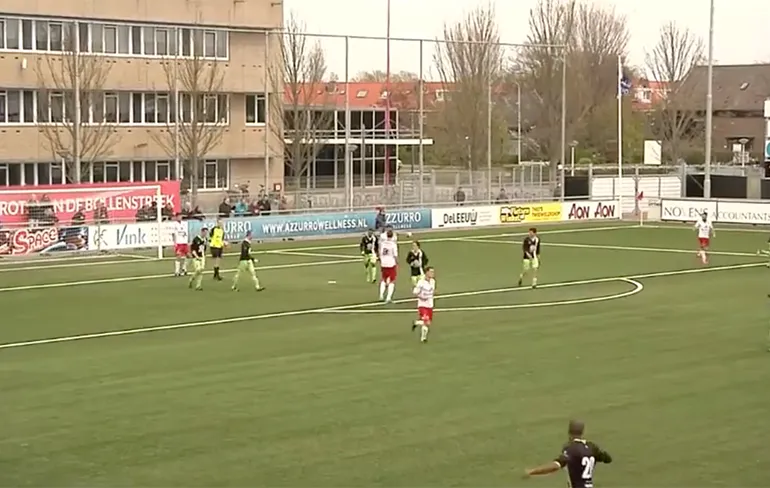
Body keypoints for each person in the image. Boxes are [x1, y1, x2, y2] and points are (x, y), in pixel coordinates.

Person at [523, 420, 612, 488]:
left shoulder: (571, 449)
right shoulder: (592, 447)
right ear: (582, 432)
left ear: (569, 432)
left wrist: (532, 471)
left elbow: (555, 466)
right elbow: (608, 459)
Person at [412, 266, 435, 343]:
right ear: (426, 272)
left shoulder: (433, 281)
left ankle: (417, 324)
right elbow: (415, 292)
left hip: (430, 304)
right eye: (431, 272)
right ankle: (423, 338)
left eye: (433, 272)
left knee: (427, 323)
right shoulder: (421, 282)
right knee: (426, 321)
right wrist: (421, 296)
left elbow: (432, 291)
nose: (432, 273)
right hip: (422, 305)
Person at [378, 228, 398, 303]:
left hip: (383, 263)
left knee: (383, 279)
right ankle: (388, 297)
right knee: (392, 281)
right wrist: (397, 262)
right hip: (391, 263)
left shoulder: (383, 243)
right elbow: (395, 255)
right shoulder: (393, 244)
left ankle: (381, 295)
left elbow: (380, 252)